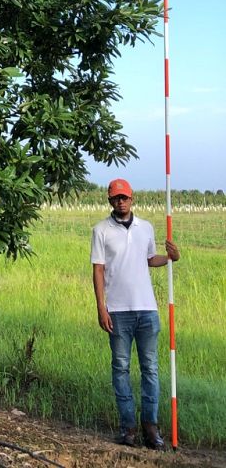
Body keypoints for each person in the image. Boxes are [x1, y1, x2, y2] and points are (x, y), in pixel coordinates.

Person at [91, 178, 180, 450]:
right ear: (110, 201)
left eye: (125, 197)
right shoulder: (100, 230)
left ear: (132, 199)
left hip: (147, 310)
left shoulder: (146, 228)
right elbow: (98, 270)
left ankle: (151, 428)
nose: (121, 202)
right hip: (117, 312)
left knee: (150, 369)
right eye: (116, 198)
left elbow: (149, 259)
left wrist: (170, 259)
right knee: (121, 368)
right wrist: (101, 307)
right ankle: (127, 428)